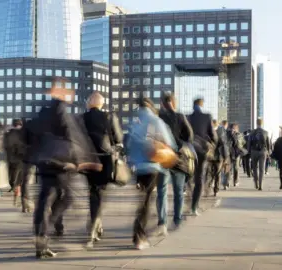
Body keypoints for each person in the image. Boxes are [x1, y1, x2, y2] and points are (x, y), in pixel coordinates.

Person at [31, 83, 101, 258]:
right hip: (59, 164)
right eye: (67, 91)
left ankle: (41, 239)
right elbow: (72, 135)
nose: (70, 94)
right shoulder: (61, 109)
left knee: (44, 201)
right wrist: (82, 161)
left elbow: (33, 133)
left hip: (44, 161)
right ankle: (45, 233)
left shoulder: (43, 111)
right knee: (66, 198)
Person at [128, 97, 176, 250]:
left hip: (138, 167)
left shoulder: (135, 123)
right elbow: (170, 143)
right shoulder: (156, 121)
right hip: (152, 165)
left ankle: (139, 232)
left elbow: (128, 145)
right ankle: (139, 236)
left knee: (143, 198)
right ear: (150, 106)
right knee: (146, 201)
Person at [82, 92, 123, 248]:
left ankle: (95, 224)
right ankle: (95, 225)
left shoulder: (82, 118)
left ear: (89, 103)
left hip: (87, 159)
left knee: (93, 191)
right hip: (104, 159)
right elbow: (118, 139)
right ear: (101, 104)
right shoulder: (109, 117)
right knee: (99, 192)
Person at [156, 92, 193, 235]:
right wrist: (178, 142)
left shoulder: (158, 117)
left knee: (162, 191)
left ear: (162, 103)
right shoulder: (180, 116)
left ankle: (162, 222)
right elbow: (189, 136)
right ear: (173, 102)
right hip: (178, 158)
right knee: (178, 192)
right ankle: (177, 220)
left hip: (162, 158)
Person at [187, 98, 217, 216]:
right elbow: (212, 134)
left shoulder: (187, 117)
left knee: (188, 175)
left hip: (190, 150)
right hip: (202, 151)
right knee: (199, 178)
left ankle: (189, 192)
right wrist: (213, 143)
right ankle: (194, 207)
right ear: (201, 105)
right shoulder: (207, 117)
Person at [3, 118, 25, 206]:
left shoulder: (8, 134)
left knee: (13, 179)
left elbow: (5, 146)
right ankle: (18, 195)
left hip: (11, 159)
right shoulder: (23, 134)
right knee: (19, 180)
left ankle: (17, 193)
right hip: (20, 160)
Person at [249, 118, 271, 191]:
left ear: (256, 123)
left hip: (254, 152)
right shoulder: (266, 132)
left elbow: (249, 143)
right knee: (261, 169)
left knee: (255, 168)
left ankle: (256, 183)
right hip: (262, 152)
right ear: (262, 123)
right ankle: (260, 185)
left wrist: (249, 152)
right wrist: (268, 152)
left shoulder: (252, 132)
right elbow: (268, 144)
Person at [210, 119, 228, 196]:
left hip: (210, 156)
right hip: (218, 156)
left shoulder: (208, 132)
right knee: (217, 173)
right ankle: (216, 190)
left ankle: (211, 184)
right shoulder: (221, 132)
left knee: (210, 172)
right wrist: (225, 157)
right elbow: (224, 145)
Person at [224, 123, 244, 189]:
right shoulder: (231, 134)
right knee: (233, 168)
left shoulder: (227, 134)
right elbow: (237, 143)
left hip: (231, 153)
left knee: (231, 168)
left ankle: (230, 183)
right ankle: (231, 182)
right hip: (232, 153)